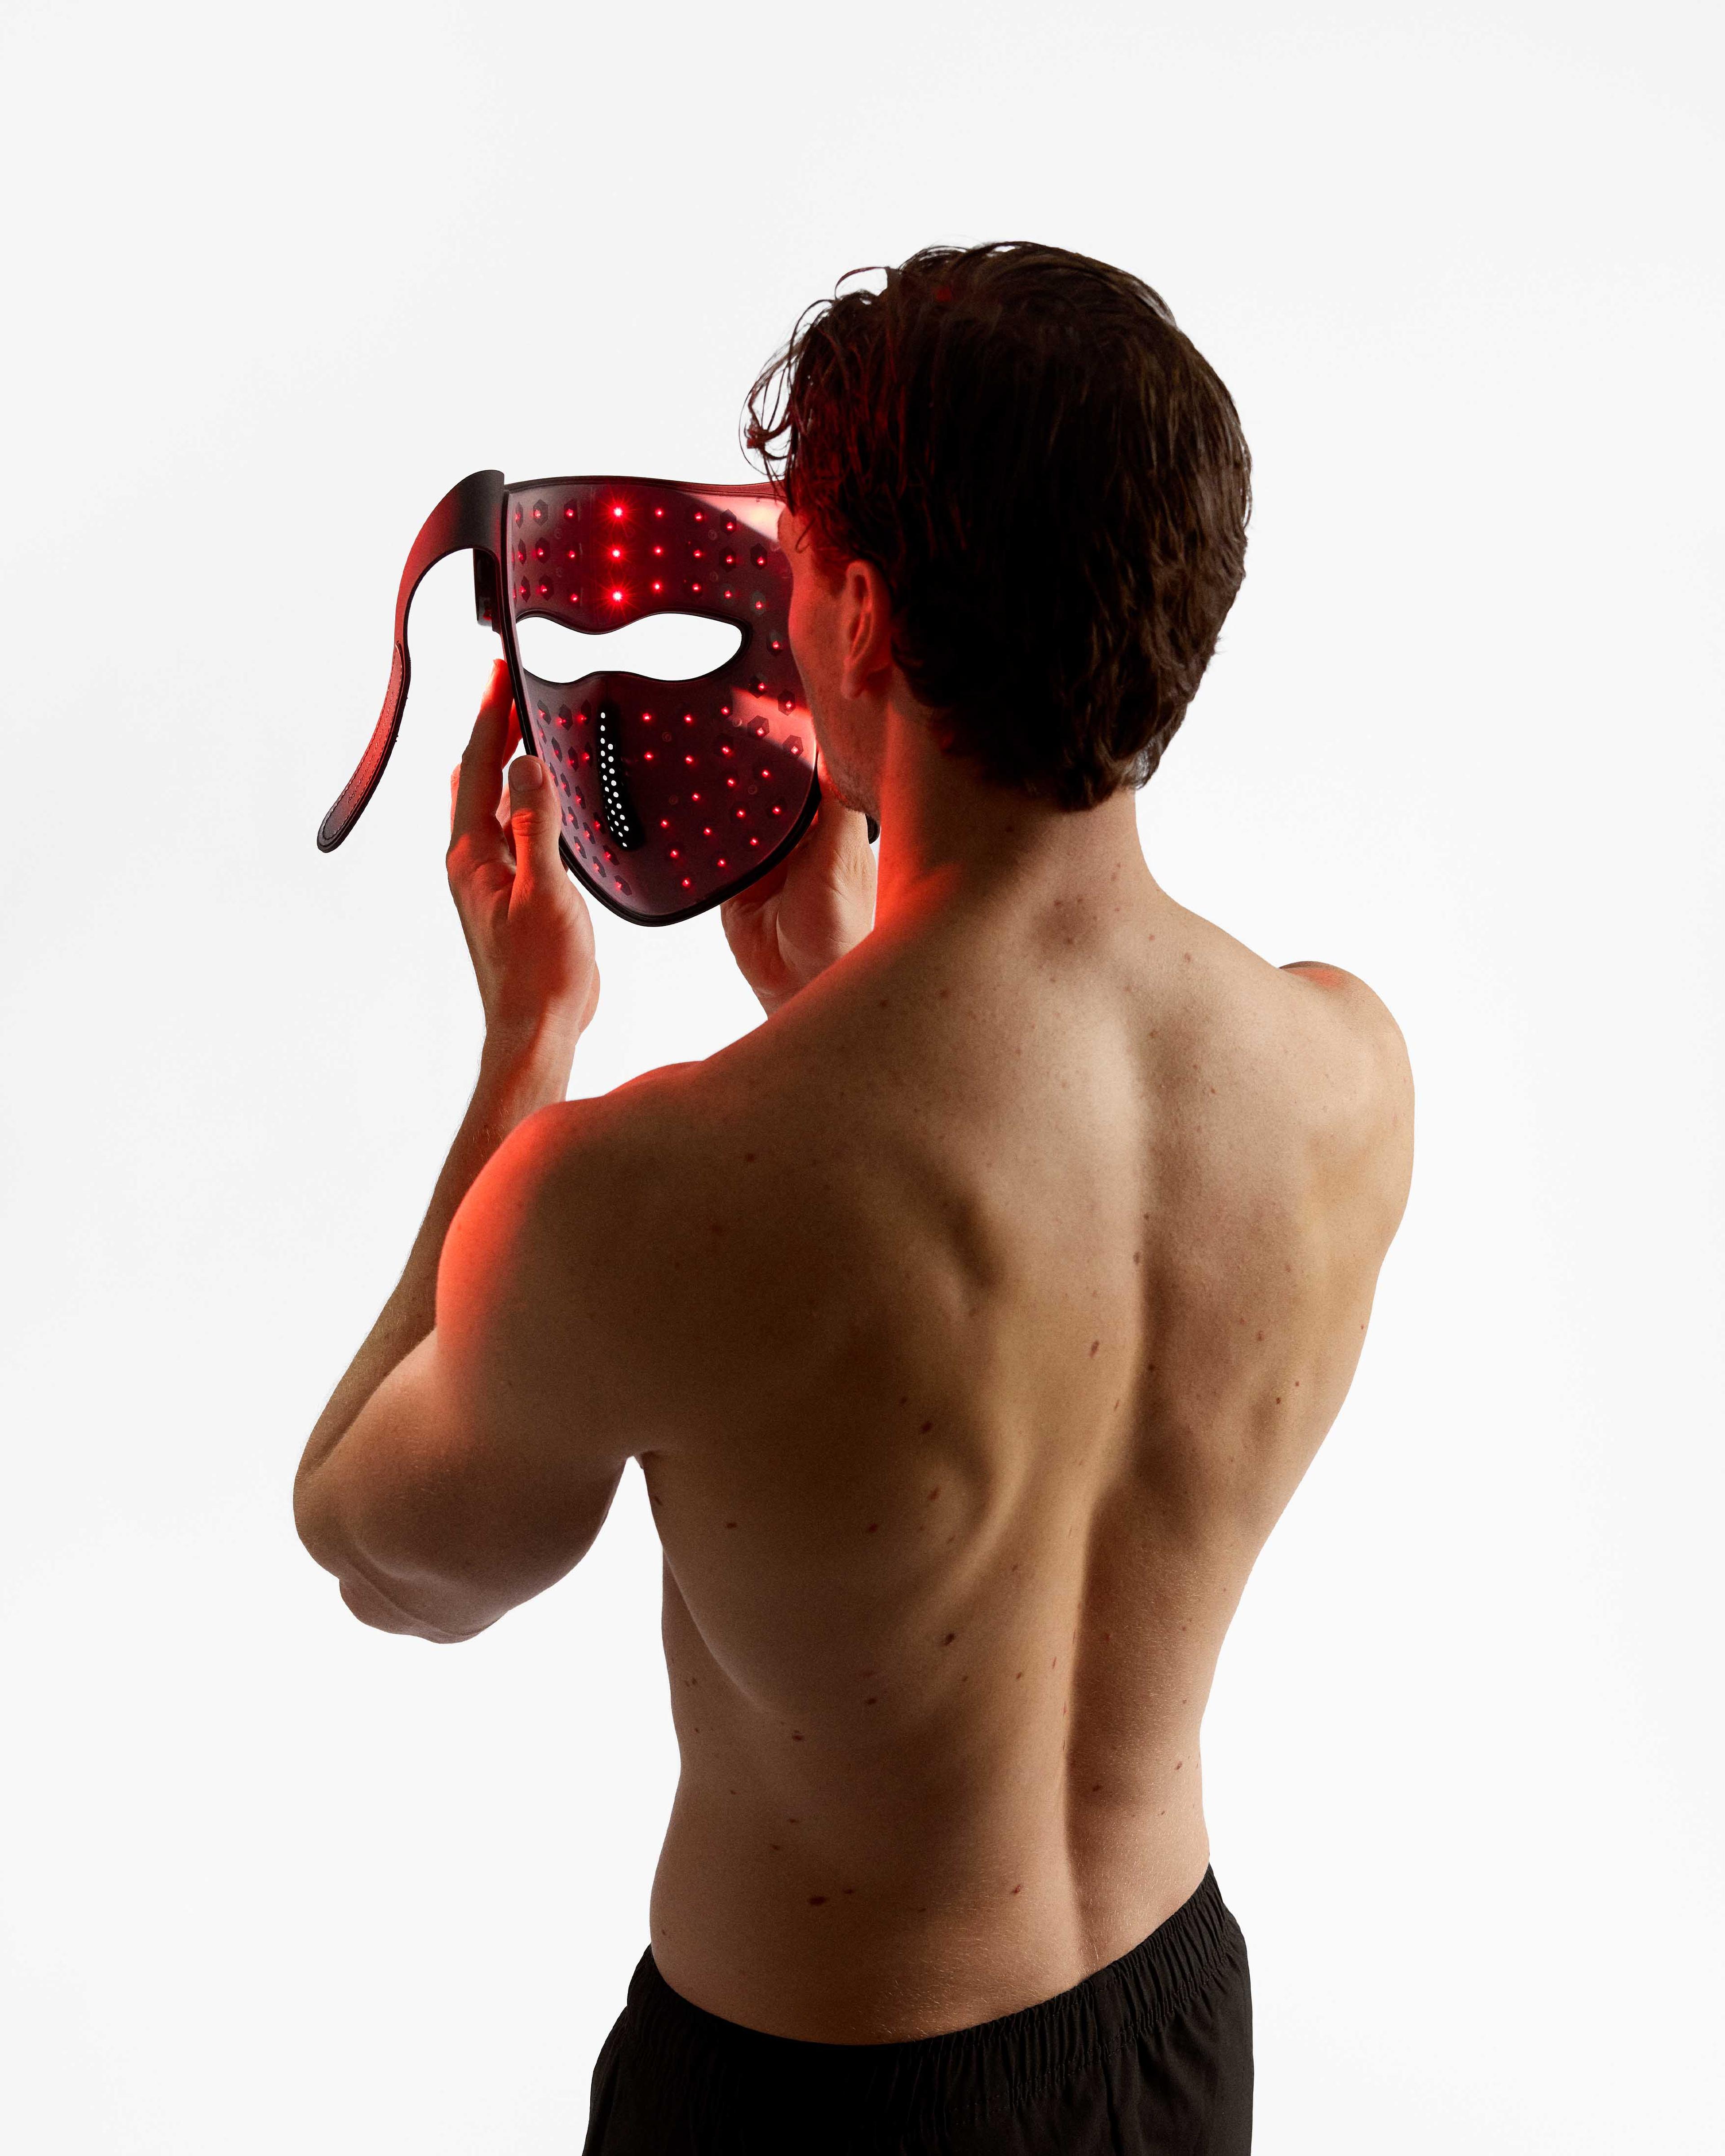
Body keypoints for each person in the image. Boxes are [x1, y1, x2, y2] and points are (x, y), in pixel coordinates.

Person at [294, 242, 1415, 2154]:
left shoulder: (636, 1196)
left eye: (793, 558)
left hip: (812, 2108)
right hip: (1170, 2040)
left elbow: (393, 1556)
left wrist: (528, 1044)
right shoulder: (1346, 1071)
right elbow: (1005, 1272)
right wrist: (829, 989)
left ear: (866, 619)